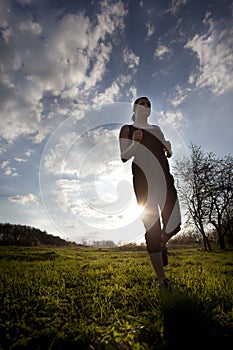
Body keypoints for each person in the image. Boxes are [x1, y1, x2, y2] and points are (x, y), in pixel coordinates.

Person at [119, 97, 181, 289]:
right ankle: (162, 280)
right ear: (135, 108)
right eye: (142, 103)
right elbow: (124, 156)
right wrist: (136, 143)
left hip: (164, 177)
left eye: (148, 105)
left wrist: (169, 150)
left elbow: (167, 151)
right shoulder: (127, 129)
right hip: (143, 181)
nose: (145, 107)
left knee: (175, 223)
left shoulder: (156, 129)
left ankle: (162, 243)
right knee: (152, 227)